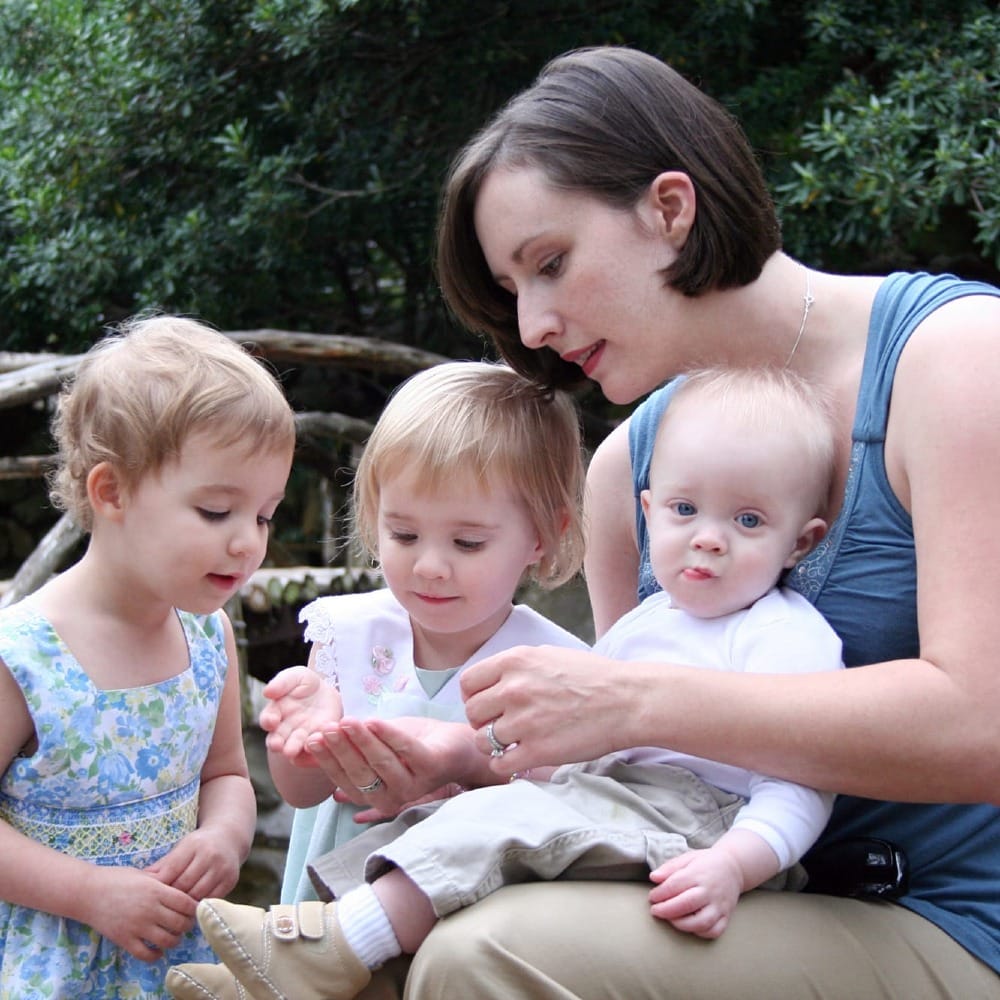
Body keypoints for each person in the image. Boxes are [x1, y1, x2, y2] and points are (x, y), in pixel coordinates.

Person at [400, 44, 1000, 998]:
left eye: (550, 265)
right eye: (514, 295)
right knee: (388, 926)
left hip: (961, 925)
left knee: (486, 954)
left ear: (670, 210)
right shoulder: (621, 475)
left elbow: (984, 724)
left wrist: (634, 699)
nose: (535, 327)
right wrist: (472, 765)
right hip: (732, 900)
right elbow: (646, 784)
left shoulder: (958, 361)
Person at [167, 365, 845, 1000]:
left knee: (490, 821)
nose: (709, 539)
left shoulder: (779, 636)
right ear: (649, 510)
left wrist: (737, 862)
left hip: (699, 828)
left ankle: (328, 950)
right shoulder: (642, 630)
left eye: (747, 520)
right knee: (444, 828)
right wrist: (304, 732)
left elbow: (803, 777)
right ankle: (298, 965)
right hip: (616, 805)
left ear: (802, 540)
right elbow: (579, 763)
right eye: (684, 509)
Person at [165, 359, 589, 1000]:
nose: (430, 565)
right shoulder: (348, 633)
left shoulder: (555, 665)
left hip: (466, 936)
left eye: (468, 543)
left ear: (542, 535)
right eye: (404, 533)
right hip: (327, 906)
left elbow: (564, 811)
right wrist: (302, 738)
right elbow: (301, 794)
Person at [0, 315, 296, 998]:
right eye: (217, 511)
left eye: (264, 515)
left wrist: (224, 839)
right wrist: (88, 892)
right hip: (53, 967)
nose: (248, 543)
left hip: (180, 958)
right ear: (113, 492)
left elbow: (227, 774)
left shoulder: (208, 634)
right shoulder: (24, 655)